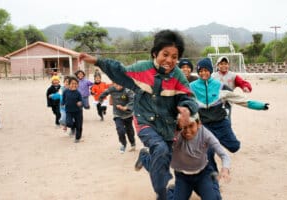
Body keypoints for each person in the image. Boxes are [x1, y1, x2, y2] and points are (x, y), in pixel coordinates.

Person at [79, 29, 198, 200]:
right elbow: (119, 71)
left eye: (174, 56)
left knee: (162, 159)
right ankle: (162, 194)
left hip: (168, 126)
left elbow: (189, 97)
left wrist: (186, 108)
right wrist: (98, 61)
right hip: (144, 121)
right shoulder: (142, 69)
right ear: (155, 53)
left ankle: (145, 157)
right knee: (161, 151)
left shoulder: (178, 76)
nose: (169, 60)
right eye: (165, 54)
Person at [189, 57, 269, 172]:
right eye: (200, 71)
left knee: (234, 146)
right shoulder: (192, 87)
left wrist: (260, 106)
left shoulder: (220, 86)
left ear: (210, 71)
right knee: (208, 152)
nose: (203, 73)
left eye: (206, 70)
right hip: (204, 125)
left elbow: (240, 99)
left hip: (220, 122)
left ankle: (216, 140)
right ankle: (213, 178)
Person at [167, 114, 230, 200]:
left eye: (191, 126)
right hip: (182, 177)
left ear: (199, 124)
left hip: (203, 175)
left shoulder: (206, 134)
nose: (187, 131)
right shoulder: (176, 134)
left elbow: (224, 155)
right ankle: (171, 190)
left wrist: (225, 169)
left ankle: (213, 182)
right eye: (184, 127)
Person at [212, 56, 252, 121]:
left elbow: (242, 82)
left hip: (228, 102)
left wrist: (246, 87)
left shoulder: (233, 76)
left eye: (226, 64)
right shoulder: (213, 76)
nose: (224, 65)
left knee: (226, 119)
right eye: (221, 64)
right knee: (215, 119)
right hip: (215, 101)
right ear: (217, 65)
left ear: (228, 65)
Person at [99, 82, 136, 153]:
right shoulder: (112, 89)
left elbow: (132, 100)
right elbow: (105, 92)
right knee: (120, 130)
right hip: (117, 114)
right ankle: (123, 144)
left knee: (129, 130)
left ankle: (132, 143)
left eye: (120, 83)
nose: (118, 86)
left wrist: (126, 107)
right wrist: (101, 98)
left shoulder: (127, 90)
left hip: (127, 114)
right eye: (116, 83)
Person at [62, 76, 83, 143]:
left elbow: (81, 101)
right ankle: (73, 127)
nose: (74, 85)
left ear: (78, 85)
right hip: (69, 111)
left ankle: (77, 138)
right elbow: (63, 99)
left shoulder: (78, 93)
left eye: (76, 84)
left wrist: (80, 103)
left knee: (79, 125)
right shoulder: (65, 92)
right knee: (68, 123)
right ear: (68, 84)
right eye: (72, 83)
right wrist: (62, 103)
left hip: (78, 111)